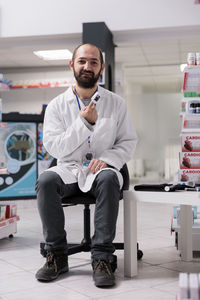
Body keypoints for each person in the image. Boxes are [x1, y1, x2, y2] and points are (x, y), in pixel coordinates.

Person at [35, 43, 138, 287]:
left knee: (109, 177)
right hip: (69, 170)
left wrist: (109, 160)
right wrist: (84, 124)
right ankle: (57, 255)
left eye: (93, 62)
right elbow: (55, 147)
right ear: (72, 65)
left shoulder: (116, 104)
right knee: (45, 181)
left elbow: (128, 141)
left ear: (101, 67)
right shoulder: (57, 106)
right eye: (82, 61)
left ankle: (102, 257)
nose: (87, 66)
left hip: (102, 171)